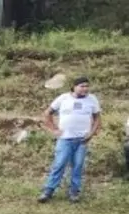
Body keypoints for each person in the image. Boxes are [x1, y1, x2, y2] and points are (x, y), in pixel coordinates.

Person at [38, 76, 101, 204]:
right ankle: (48, 191)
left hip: (82, 140)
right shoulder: (63, 98)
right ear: (74, 87)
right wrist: (54, 129)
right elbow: (47, 113)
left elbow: (97, 118)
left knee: (77, 166)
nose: (85, 89)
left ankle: (74, 193)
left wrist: (91, 133)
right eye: (82, 86)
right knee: (59, 164)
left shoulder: (92, 99)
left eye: (87, 86)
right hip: (65, 139)